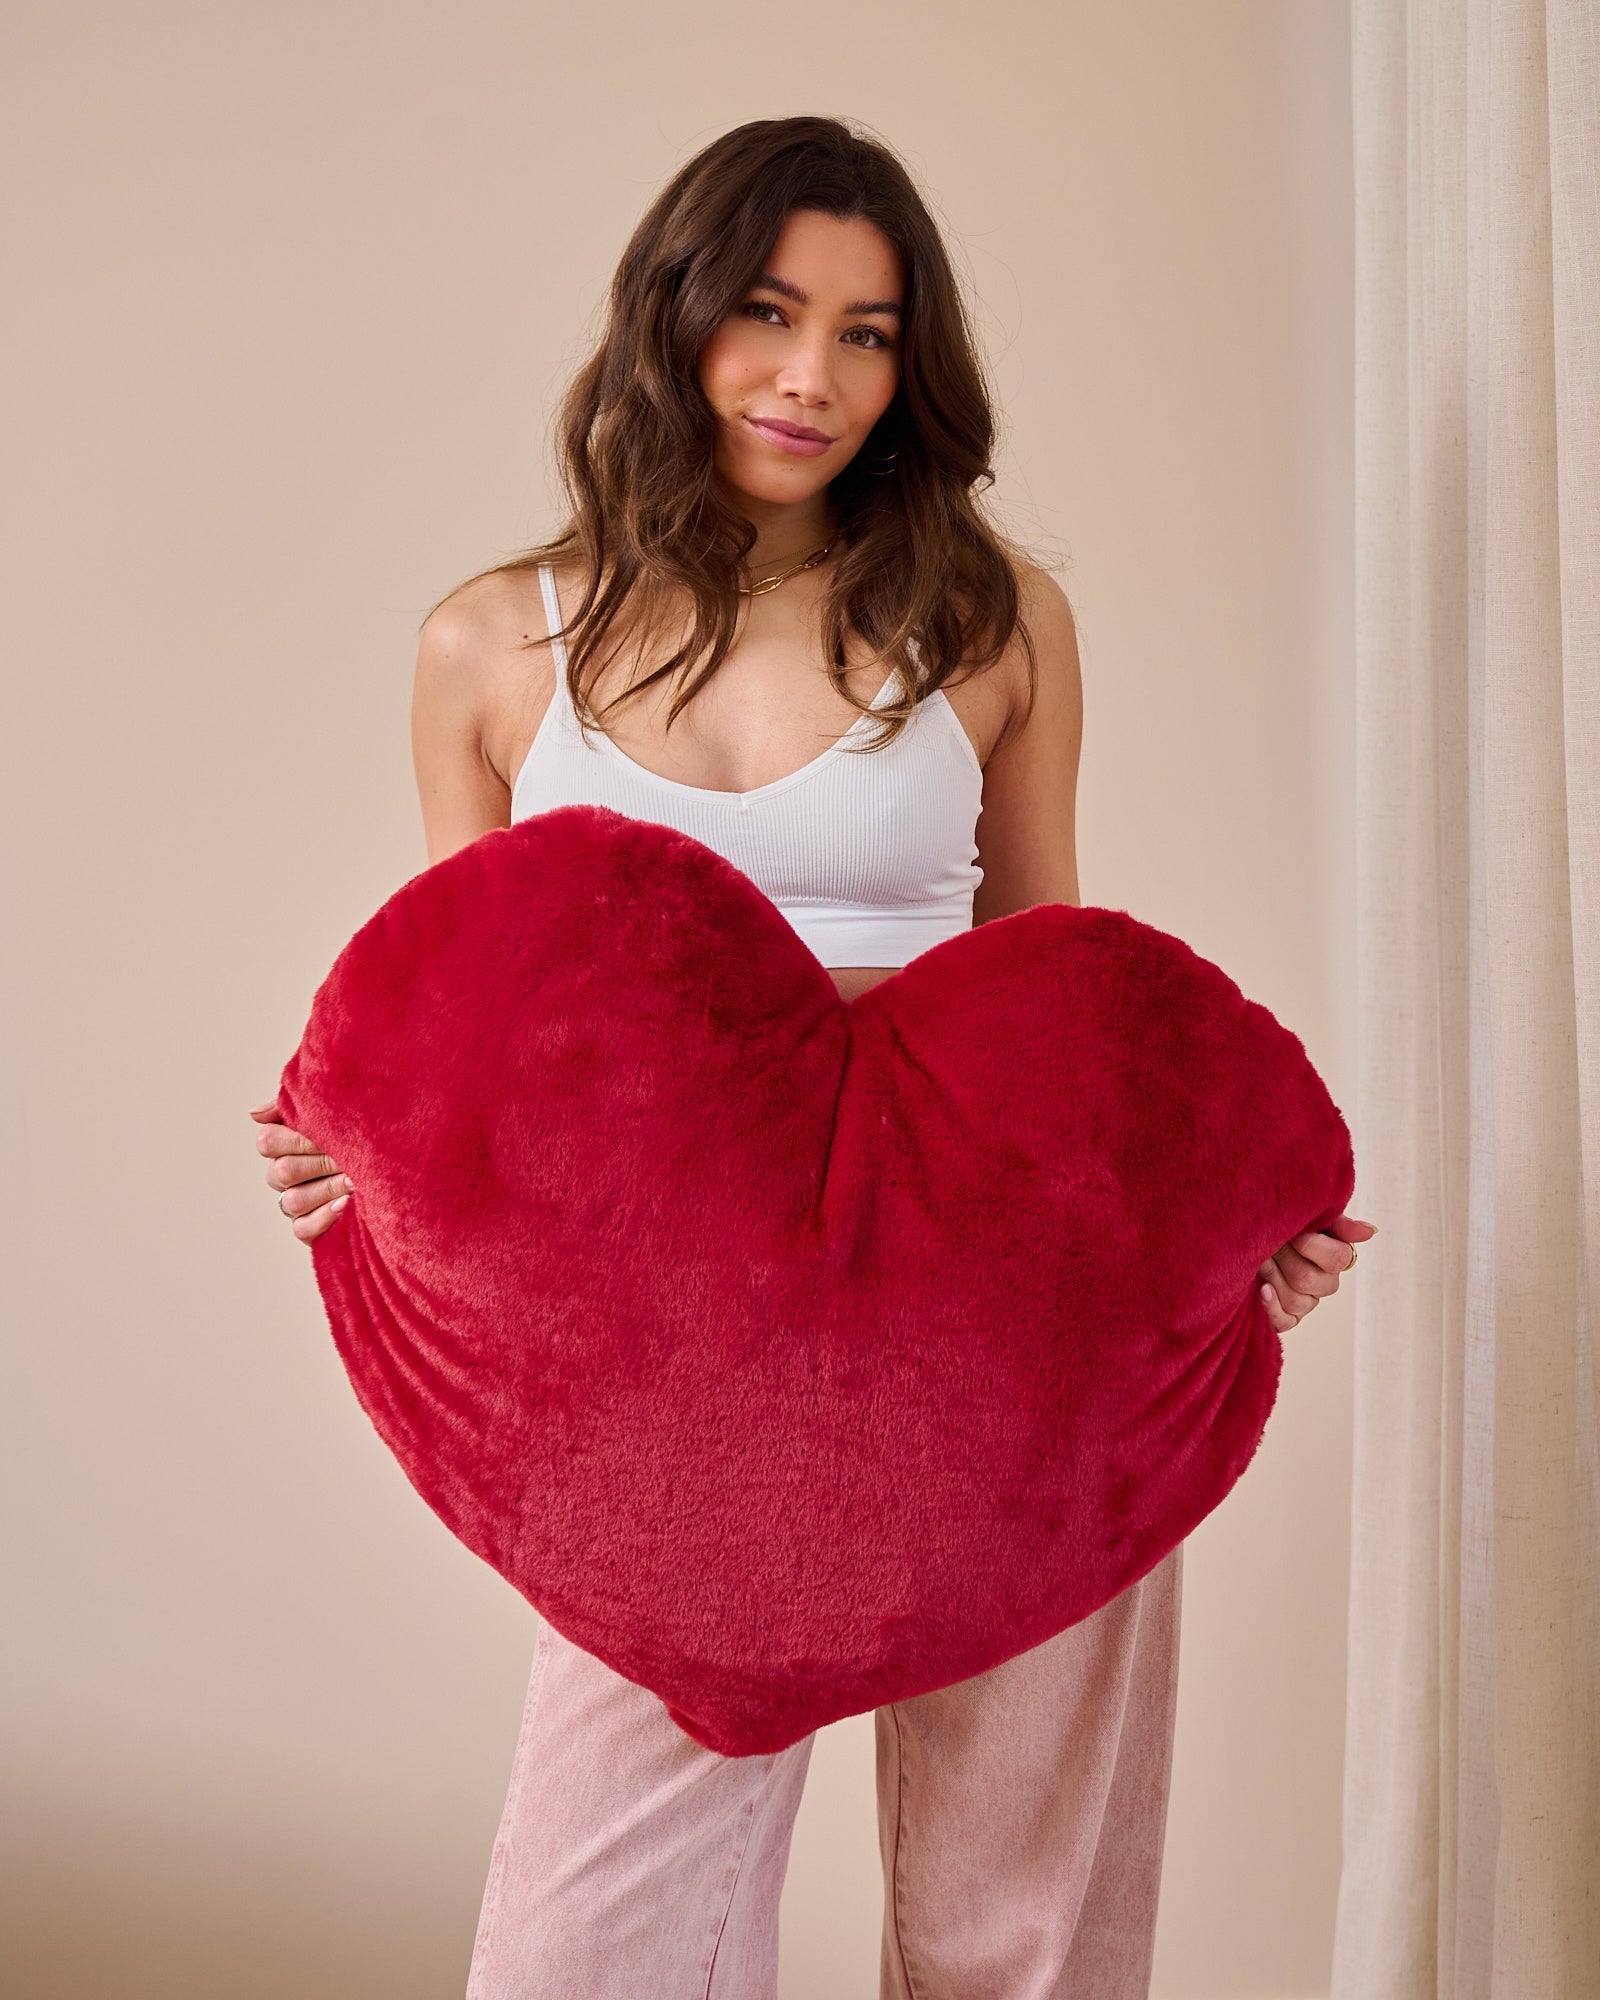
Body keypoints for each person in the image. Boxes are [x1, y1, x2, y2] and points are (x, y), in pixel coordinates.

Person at [249, 114, 1373, 2000]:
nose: (811, 378)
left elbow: (1061, 990)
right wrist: (347, 1157)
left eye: (867, 333)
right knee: (589, 1944)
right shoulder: (493, 645)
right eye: (768, 313)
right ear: (673, 314)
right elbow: (479, 1036)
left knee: (1023, 1922)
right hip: (673, 1358)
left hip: (1005, 1323)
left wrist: (1226, 1227)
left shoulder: (993, 617)